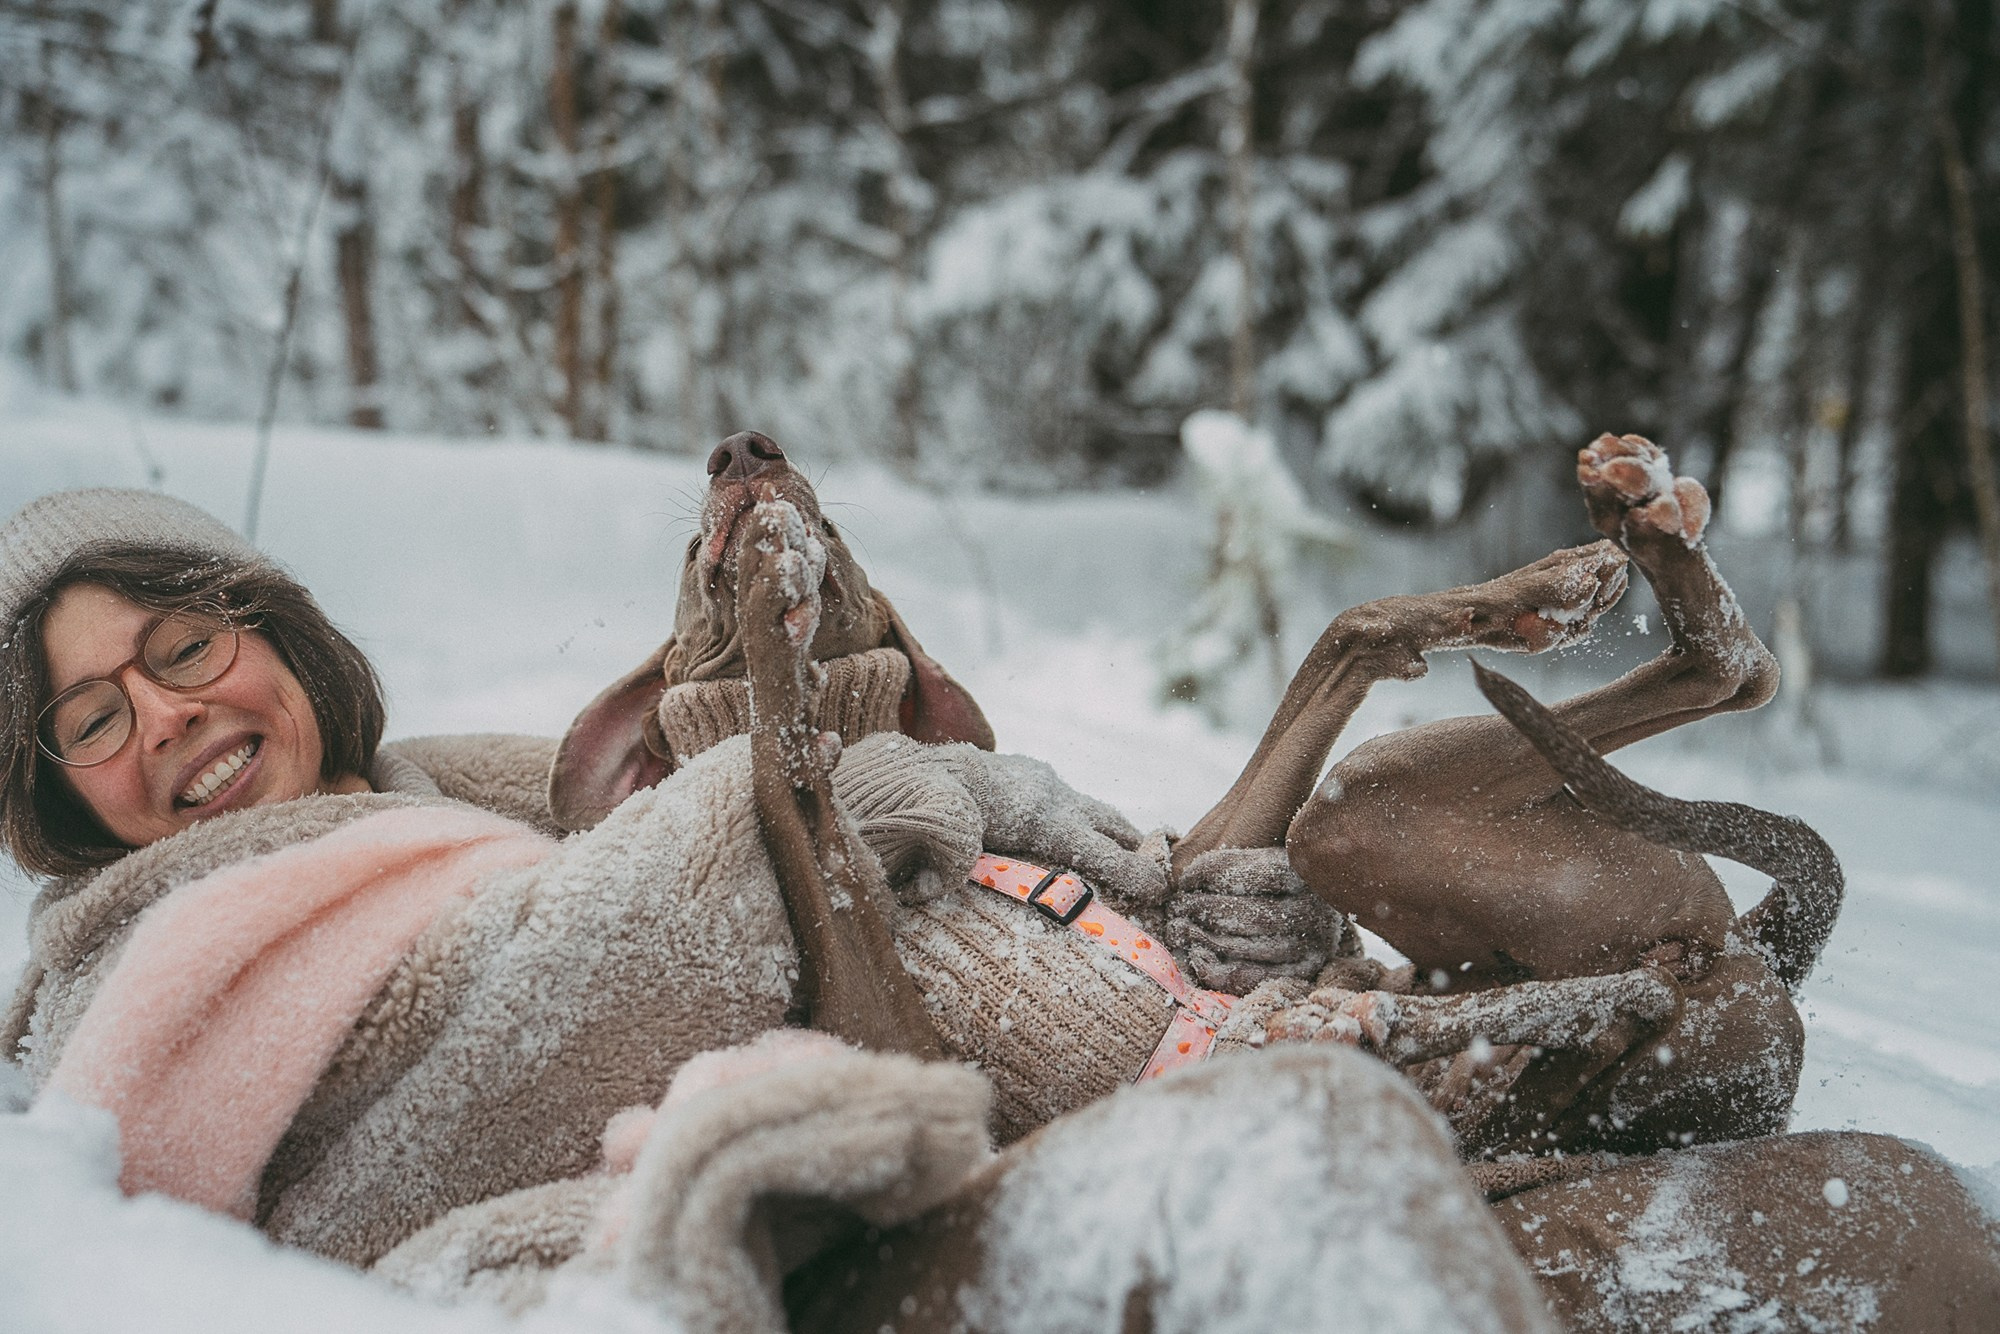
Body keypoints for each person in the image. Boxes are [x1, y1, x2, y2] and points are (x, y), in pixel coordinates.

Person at [4, 487, 1990, 1334]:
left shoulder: (475, 786)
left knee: (1890, 1213)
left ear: (277, 638)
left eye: (187, 644)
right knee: (1294, 1159)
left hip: (1174, 1115)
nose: (171, 713)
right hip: (893, 1251)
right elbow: (528, 1032)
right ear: (49, 798)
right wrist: (811, 779)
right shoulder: (145, 975)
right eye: (95, 712)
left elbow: (1038, 875)